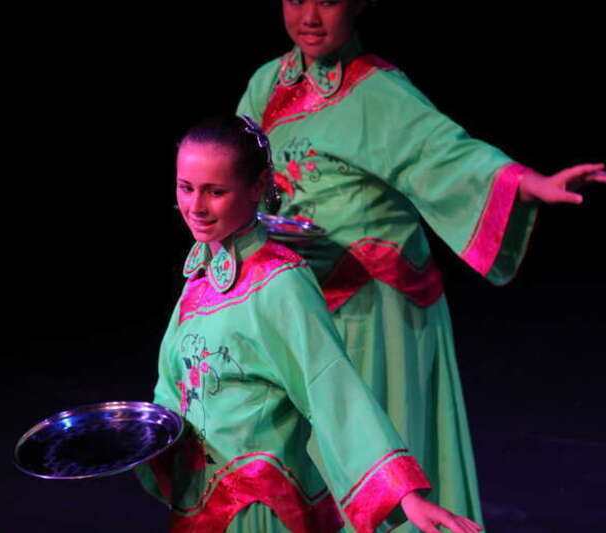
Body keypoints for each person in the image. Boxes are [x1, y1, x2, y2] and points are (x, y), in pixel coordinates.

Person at [235, 0, 605, 529]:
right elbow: (240, 165)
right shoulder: (267, 83)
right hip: (302, 294)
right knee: (315, 449)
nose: (309, 17)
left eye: (328, 0)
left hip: (374, 305)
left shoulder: (378, 88)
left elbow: (444, 153)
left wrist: (526, 183)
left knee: (378, 445)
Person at [135, 115, 484, 533]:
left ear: (257, 186)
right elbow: (173, 389)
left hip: (260, 507)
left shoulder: (280, 282)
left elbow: (334, 390)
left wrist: (404, 495)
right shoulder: (201, 276)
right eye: (186, 188)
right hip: (200, 507)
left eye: (216, 191)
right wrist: (136, 440)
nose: (196, 207)